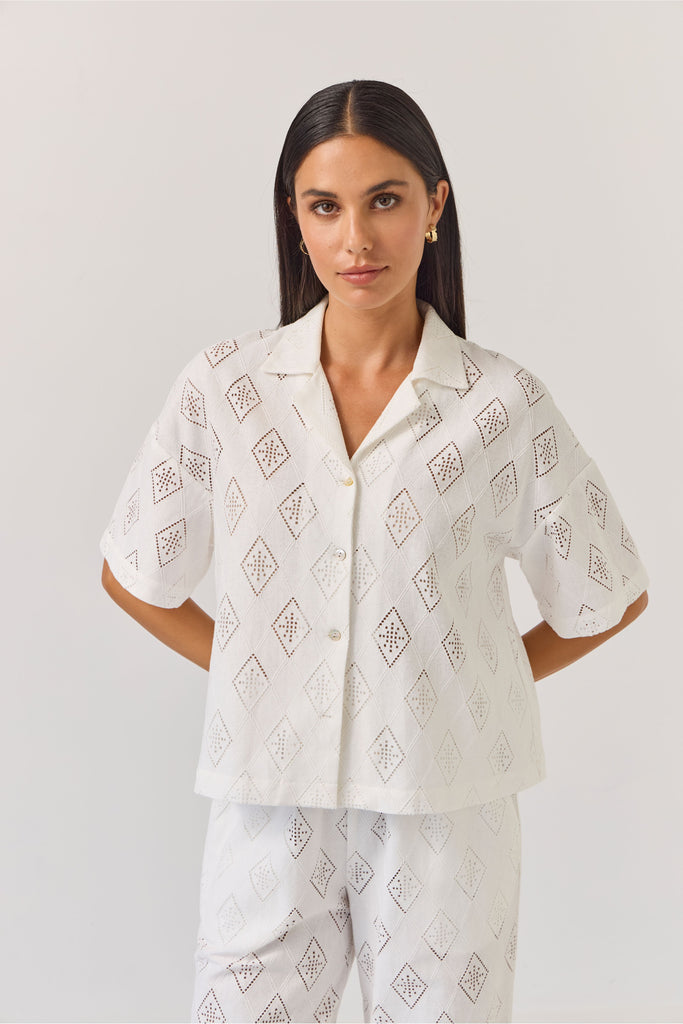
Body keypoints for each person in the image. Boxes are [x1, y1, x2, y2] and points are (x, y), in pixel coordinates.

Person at [99, 79, 649, 1024]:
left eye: (384, 200)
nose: (356, 238)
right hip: (268, 797)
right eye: (325, 206)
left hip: (446, 807)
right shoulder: (227, 389)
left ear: (434, 205)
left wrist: (464, 680)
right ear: (295, 219)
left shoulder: (500, 406)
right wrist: (262, 664)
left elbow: (607, 592)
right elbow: (134, 571)